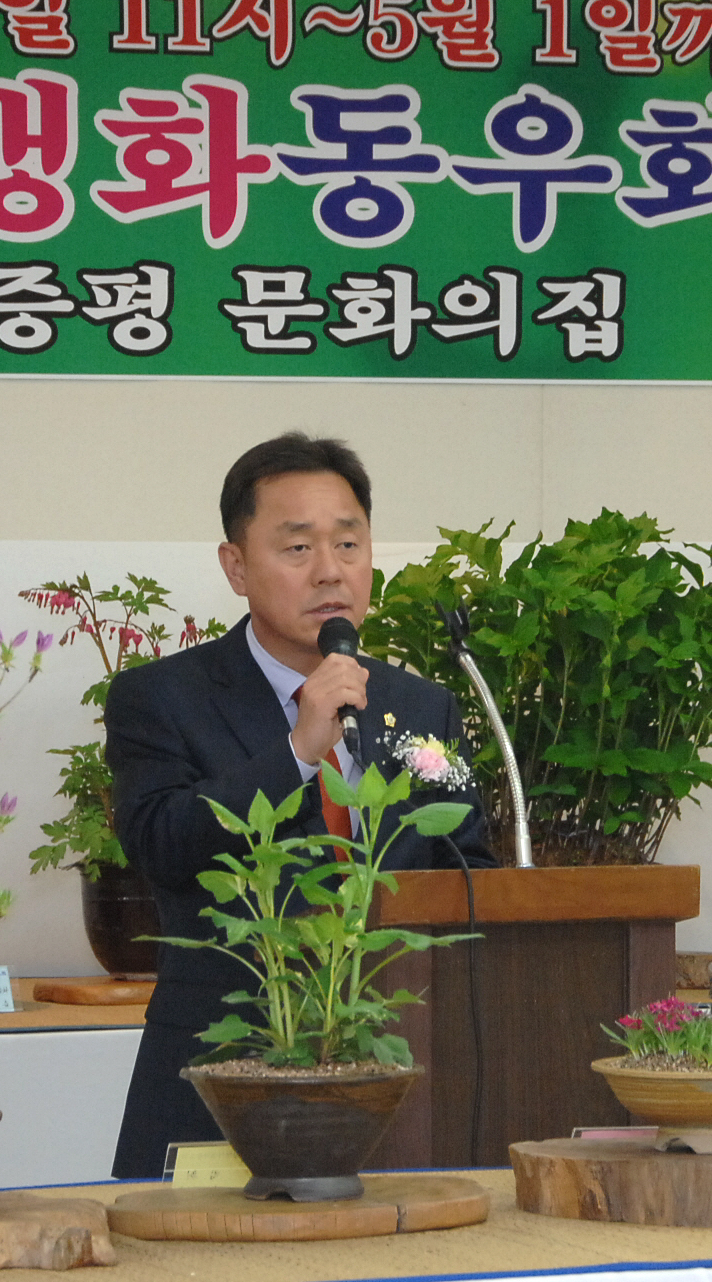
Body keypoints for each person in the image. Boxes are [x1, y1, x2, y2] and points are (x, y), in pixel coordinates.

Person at [104, 432, 499, 1179]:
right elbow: (160, 840)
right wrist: (296, 753)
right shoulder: (162, 697)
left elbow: (465, 869)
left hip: (399, 1072)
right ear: (236, 566)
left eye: (348, 543)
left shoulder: (421, 708)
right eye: (297, 548)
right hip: (224, 1077)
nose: (330, 571)